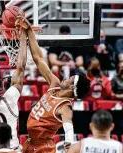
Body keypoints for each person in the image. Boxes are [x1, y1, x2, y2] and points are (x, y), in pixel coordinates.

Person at [16, 17, 90, 153]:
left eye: (70, 78)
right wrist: (29, 30)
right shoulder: (54, 84)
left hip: (43, 148)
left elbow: (68, 126)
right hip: (30, 142)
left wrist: (69, 141)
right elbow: (38, 58)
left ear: (72, 87)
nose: (66, 78)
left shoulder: (65, 107)